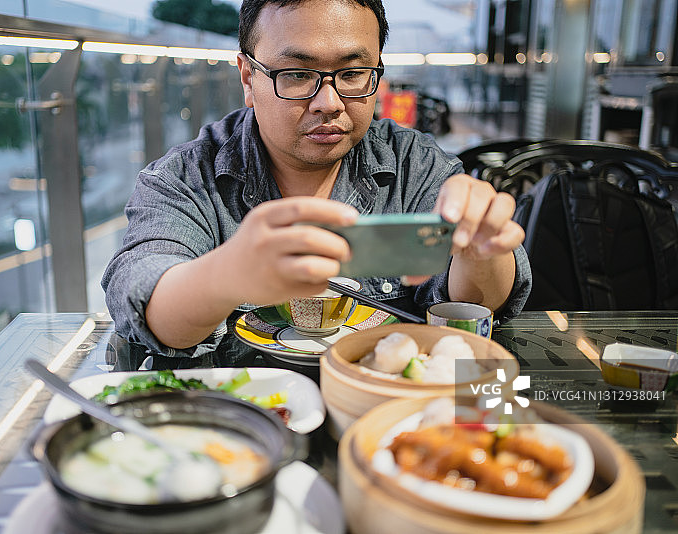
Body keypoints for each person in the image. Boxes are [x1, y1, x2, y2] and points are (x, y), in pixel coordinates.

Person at [103, 0, 531, 365]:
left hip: (381, 406)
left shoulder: (414, 164)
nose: (329, 103)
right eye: (296, 74)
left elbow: (475, 304)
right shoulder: (187, 177)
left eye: (352, 73)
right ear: (248, 78)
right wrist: (226, 274)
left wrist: (482, 249)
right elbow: (148, 302)